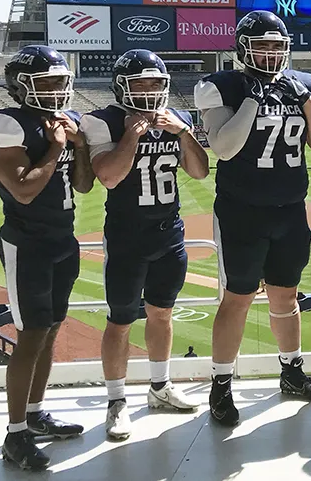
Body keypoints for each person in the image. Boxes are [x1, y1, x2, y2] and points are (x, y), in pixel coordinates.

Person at [193, 10, 311, 426]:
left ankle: (291, 371)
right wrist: (254, 98)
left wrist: (304, 97)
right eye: (263, 45)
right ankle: (220, 385)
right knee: (237, 298)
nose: (271, 54)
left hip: (290, 208)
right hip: (242, 211)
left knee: (286, 297)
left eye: (277, 46)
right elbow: (224, 147)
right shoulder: (221, 86)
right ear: (242, 48)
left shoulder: (303, 84)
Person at [80, 49, 210, 440]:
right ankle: (116, 401)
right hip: (126, 234)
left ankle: (160, 387)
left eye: (157, 83)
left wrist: (182, 132)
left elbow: (200, 171)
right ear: (123, 86)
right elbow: (109, 177)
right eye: (142, 83)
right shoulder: (102, 121)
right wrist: (133, 135)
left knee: (163, 314)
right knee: (120, 319)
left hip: (169, 231)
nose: (151, 90)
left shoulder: (177, 118)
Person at [0, 46, 94, 469]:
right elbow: (24, 190)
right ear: (21, 87)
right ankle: (15, 435)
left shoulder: (69, 120)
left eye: (60, 81)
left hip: (63, 240)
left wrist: (78, 146)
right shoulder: (6, 123)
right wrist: (54, 148)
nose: (56, 90)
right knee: (30, 334)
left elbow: (83, 186)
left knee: (49, 331)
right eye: (45, 82)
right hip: (26, 243)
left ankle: (34, 414)